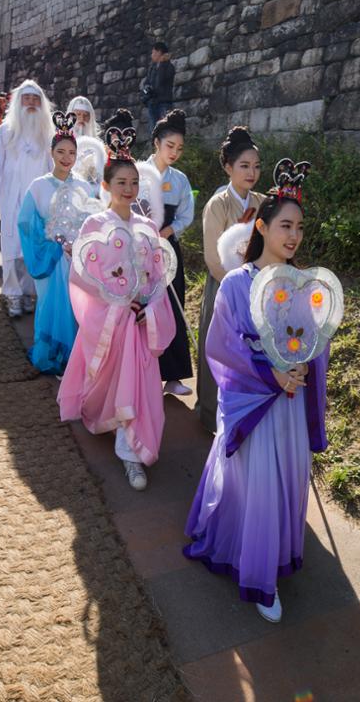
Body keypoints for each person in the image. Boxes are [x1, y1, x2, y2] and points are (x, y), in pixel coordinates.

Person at [184, 172, 331, 624]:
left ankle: (274, 555)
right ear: (262, 227)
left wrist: (305, 365)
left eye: (300, 227)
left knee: (284, 480)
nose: (294, 235)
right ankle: (260, 578)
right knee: (258, 484)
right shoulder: (236, 283)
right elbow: (222, 347)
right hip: (255, 403)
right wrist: (273, 375)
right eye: (285, 225)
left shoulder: (304, 284)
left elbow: (313, 340)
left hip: (289, 403)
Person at [58, 109, 176, 491]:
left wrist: (147, 307)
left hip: (141, 324)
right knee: (111, 386)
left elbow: (157, 277)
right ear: (106, 185)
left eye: (134, 182)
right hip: (112, 321)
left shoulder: (146, 228)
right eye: (121, 182)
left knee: (140, 386)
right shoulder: (94, 226)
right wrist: (115, 306)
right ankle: (114, 431)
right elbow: (84, 278)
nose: (128, 188)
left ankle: (131, 453)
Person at [197, 127, 265, 432]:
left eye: (256, 166)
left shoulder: (264, 202)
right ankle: (210, 410)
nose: (251, 172)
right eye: (244, 166)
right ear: (228, 167)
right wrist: (235, 286)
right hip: (224, 285)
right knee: (219, 345)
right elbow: (213, 256)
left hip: (258, 285)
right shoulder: (219, 205)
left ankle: (247, 410)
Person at [18, 112, 94, 374]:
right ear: (52, 152)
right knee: (50, 304)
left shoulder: (85, 187)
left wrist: (80, 244)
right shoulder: (38, 187)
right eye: (61, 151)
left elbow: (92, 221)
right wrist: (53, 244)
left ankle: (74, 358)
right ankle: (51, 354)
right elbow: (26, 224)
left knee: (77, 308)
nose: (66, 157)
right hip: (51, 258)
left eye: (71, 152)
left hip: (76, 258)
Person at [0, 79, 54, 317]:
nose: (31, 104)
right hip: (12, 199)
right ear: (18, 102)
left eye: (36, 100)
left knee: (34, 249)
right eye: (27, 99)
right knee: (12, 250)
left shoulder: (48, 136)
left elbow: (56, 167)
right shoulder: (3, 133)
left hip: (38, 203)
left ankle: (30, 292)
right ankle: (12, 294)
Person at [148, 109, 195, 396]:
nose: (174, 152)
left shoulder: (180, 181)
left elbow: (187, 214)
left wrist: (170, 230)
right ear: (156, 143)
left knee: (173, 306)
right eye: (170, 146)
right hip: (141, 249)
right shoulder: (138, 173)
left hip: (168, 248)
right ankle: (145, 372)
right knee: (144, 309)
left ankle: (174, 376)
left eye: (179, 148)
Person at [141, 41, 175, 136]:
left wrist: (163, 63)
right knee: (154, 132)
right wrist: (146, 91)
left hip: (164, 104)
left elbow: (161, 80)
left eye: (153, 52)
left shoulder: (169, 67)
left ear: (159, 52)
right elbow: (146, 83)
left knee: (165, 132)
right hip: (152, 103)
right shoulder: (152, 68)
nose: (152, 55)